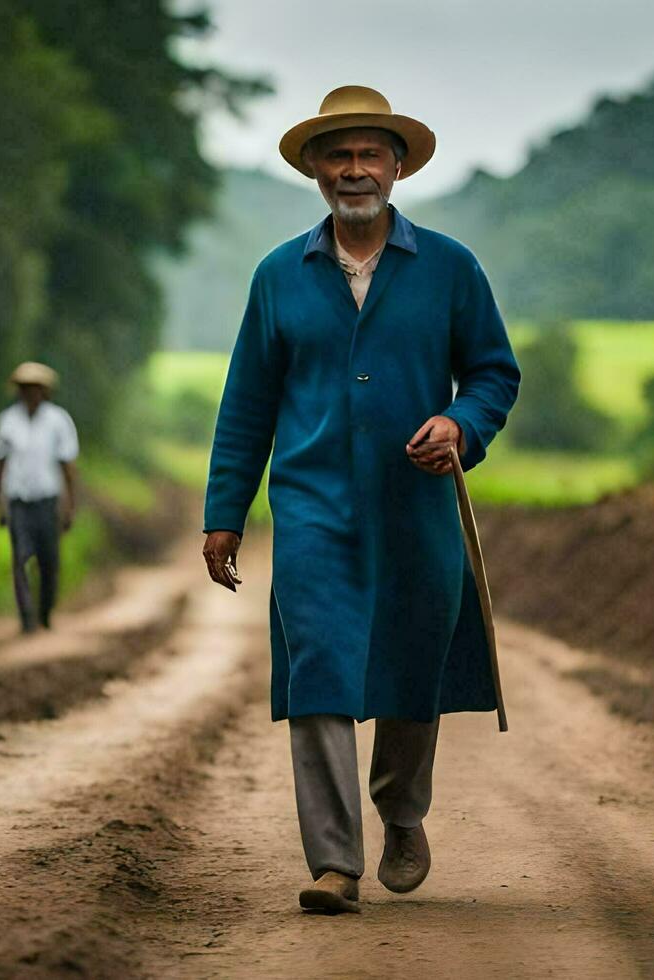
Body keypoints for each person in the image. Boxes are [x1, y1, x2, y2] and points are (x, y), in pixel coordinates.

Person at [201, 85, 520, 914]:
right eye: (337, 154)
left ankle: (402, 812)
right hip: (311, 511)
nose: (353, 169)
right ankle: (333, 863)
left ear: (397, 165)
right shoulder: (279, 276)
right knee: (320, 675)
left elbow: (493, 372)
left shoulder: (450, 268)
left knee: (412, 673)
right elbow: (247, 404)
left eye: (369, 153)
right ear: (314, 170)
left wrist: (460, 422)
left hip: (417, 511)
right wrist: (225, 516)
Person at [0, 361, 79, 633]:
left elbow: (68, 466)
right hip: (18, 501)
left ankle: (45, 613)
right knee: (20, 559)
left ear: (44, 391)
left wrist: (70, 505)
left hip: (47, 501)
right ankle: (26, 618)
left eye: (35, 388)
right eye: (25, 388)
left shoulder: (58, 421)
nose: (30, 393)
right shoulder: (7, 421)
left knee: (49, 561)